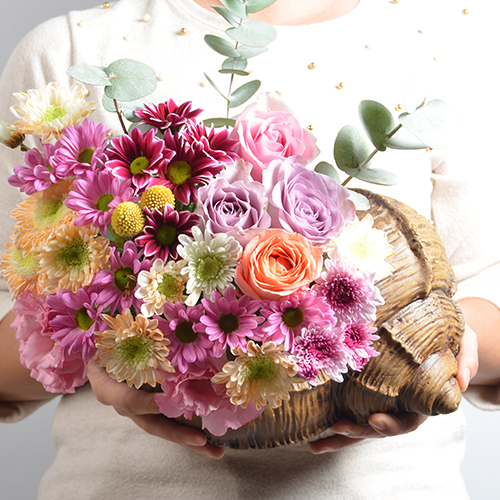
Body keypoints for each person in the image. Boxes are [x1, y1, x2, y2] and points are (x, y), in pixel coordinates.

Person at [1, 0, 499, 498]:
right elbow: (12, 328)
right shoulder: (70, 47)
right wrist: (100, 348)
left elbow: (488, 295)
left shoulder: (445, 41)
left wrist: (430, 349)